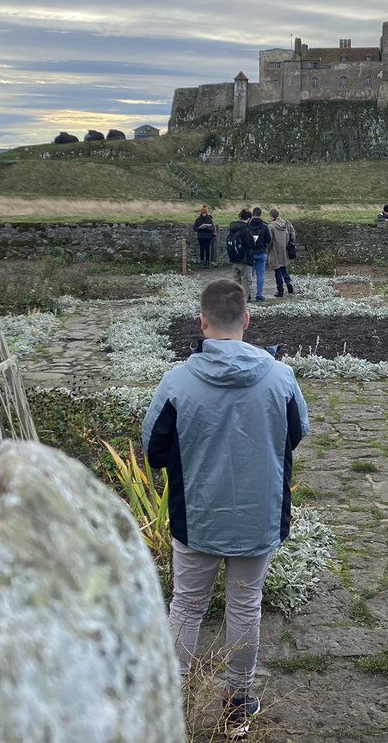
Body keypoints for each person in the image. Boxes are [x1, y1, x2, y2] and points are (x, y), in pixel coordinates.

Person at [144, 279, 310, 736]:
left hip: (197, 516)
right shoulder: (281, 377)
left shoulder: (176, 382)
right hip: (258, 515)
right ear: (247, 319)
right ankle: (237, 704)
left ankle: (173, 704)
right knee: (245, 606)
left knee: (187, 606)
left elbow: (155, 450)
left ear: (202, 321)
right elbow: (294, 434)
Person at [226, 209, 255, 301]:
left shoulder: (232, 228)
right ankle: (244, 301)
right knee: (246, 281)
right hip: (245, 259)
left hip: (234, 258)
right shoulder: (245, 229)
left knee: (236, 281)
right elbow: (251, 244)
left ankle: (236, 299)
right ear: (249, 219)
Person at [267, 208, 296, 297]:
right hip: (285, 249)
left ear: (271, 216)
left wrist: (268, 247)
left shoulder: (271, 226)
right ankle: (289, 283)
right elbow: (293, 235)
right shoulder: (287, 223)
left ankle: (280, 290)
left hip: (275, 250)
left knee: (277, 270)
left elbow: (269, 240)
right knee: (283, 268)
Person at [248, 207, 271, 301]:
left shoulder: (248, 225)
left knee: (249, 274)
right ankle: (259, 295)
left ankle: (248, 294)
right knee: (260, 274)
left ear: (252, 214)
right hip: (261, 252)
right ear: (260, 214)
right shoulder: (264, 226)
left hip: (250, 253)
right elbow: (268, 240)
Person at [192, 205, 216, 269]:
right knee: (202, 249)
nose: (204, 214)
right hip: (201, 236)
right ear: (201, 213)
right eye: (203, 213)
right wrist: (200, 228)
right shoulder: (198, 220)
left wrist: (207, 228)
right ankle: (202, 261)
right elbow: (194, 228)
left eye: (205, 213)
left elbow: (212, 228)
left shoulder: (209, 219)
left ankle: (207, 262)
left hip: (208, 236)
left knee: (207, 249)